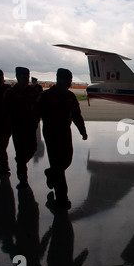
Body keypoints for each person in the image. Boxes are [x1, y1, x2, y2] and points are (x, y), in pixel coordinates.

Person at [35, 68, 87, 209]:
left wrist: (83, 131)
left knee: (67, 160)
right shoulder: (47, 96)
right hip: (51, 133)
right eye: (64, 79)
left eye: (69, 80)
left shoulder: (71, 96)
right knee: (59, 167)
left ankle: (50, 173)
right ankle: (62, 199)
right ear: (58, 79)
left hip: (65, 132)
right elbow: (36, 114)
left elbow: (76, 115)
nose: (67, 82)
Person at [4, 67, 40, 188]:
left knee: (33, 148)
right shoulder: (11, 93)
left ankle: (21, 162)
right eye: (24, 76)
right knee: (20, 151)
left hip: (31, 126)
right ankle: (22, 178)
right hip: (17, 128)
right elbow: (5, 111)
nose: (27, 78)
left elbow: (39, 106)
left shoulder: (33, 91)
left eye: (28, 76)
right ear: (18, 77)